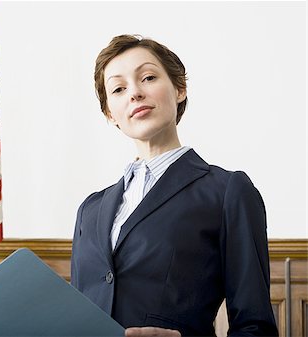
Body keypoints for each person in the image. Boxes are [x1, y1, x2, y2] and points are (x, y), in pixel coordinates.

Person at [70, 35, 278, 337]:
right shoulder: (90, 209)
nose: (135, 93)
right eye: (118, 88)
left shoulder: (227, 191)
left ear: (179, 89)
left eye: (148, 77)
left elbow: (255, 328)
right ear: (109, 114)